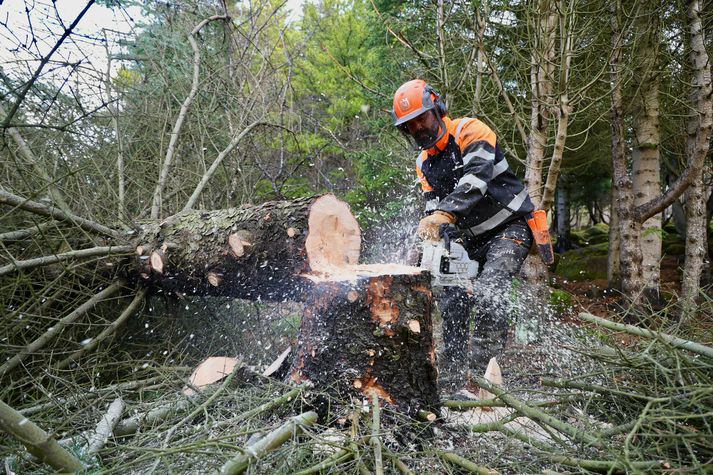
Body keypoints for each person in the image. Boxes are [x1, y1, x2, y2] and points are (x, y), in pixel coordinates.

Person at [392, 79, 535, 398]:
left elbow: (476, 180)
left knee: (490, 291)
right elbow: (432, 209)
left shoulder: (471, 130)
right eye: (410, 126)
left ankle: (483, 382)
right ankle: (453, 379)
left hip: (508, 228)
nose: (418, 129)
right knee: (451, 298)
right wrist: (430, 242)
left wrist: (444, 214)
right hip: (470, 241)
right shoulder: (422, 163)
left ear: (437, 109)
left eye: (422, 119)